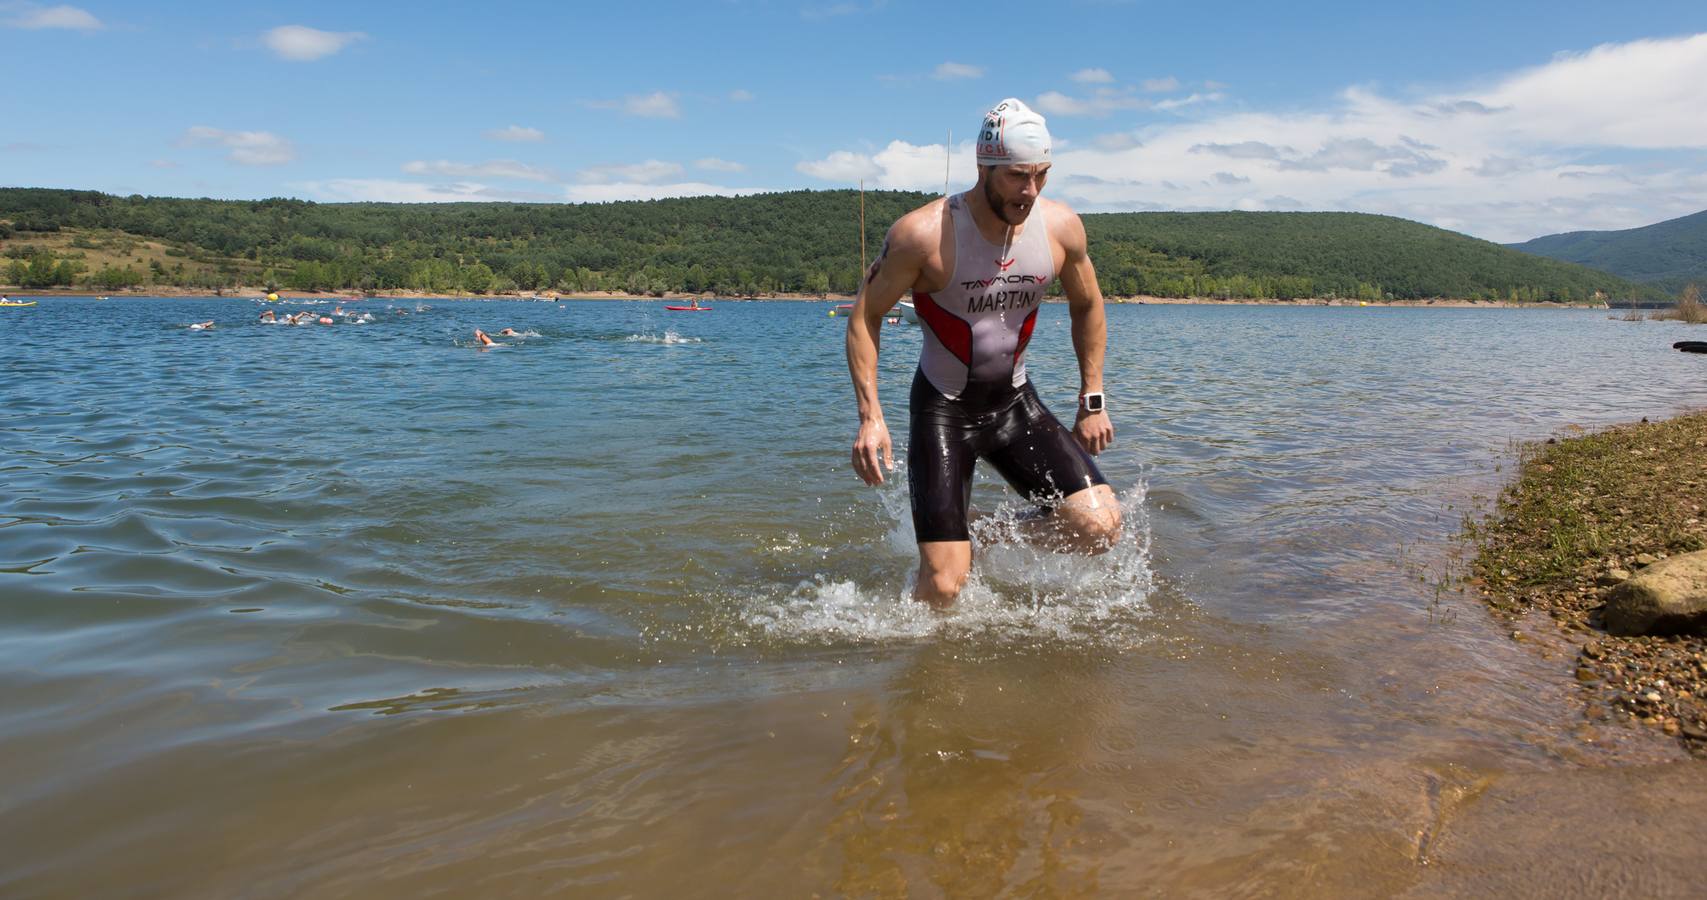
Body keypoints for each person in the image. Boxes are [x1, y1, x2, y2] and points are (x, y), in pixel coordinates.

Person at [846, 97, 1120, 608]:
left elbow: (1088, 305)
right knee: (944, 588)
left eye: (1041, 175)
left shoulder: (1061, 228)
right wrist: (870, 416)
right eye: (1018, 176)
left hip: (1016, 405)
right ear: (984, 166)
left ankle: (983, 538)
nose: (1030, 191)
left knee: (1101, 528)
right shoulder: (922, 235)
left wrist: (1093, 396)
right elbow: (865, 316)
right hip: (944, 412)